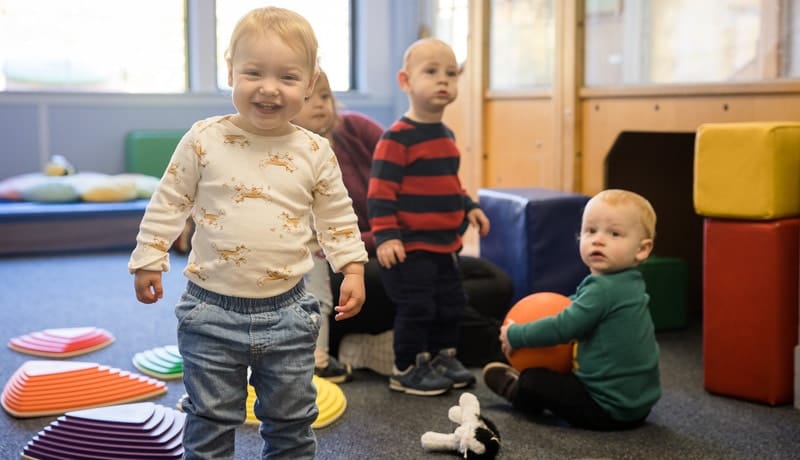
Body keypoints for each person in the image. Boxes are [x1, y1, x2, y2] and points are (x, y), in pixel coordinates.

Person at [128, 7, 367, 459]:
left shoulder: (315, 151)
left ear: (311, 82)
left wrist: (351, 267)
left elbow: (337, 215)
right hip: (210, 311)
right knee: (210, 419)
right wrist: (149, 256)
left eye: (288, 77)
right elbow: (169, 202)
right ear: (230, 70)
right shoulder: (203, 140)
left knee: (292, 423)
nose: (269, 88)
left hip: (290, 313)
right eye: (253, 72)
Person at [366, 38, 491, 396]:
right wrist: (387, 236)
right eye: (431, 72)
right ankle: (405, 367)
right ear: (405, 81)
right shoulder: (397, 138)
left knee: (451, 304)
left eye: (451, 74)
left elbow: (451, 184)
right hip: (410, 247)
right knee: (417, 307)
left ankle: (441, 357)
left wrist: (470, 207)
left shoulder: (446, 135)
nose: (444, 81)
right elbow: (380, 193)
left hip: (443, 246)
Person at [482, 189, 661, 431]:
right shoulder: (629, 282)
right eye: (590, 230)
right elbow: (577, 305)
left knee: (536, 380)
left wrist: (517, 335)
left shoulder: (602, 290)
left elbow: (564, 327)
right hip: (638, 406)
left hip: (606, 408)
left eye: (614, 233)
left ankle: (519, 392)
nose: (598, 239)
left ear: (641, 249)